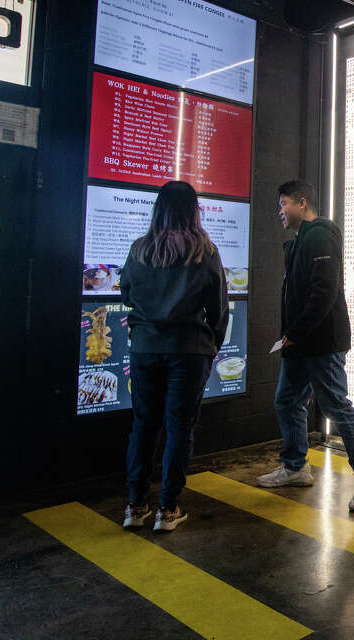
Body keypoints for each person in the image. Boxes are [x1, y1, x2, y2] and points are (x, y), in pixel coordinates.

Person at [257, 180, 354, 511]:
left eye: (284, 203)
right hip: (300, 343)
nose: (280, 211)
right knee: (287, 401)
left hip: (320, 342)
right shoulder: (301, 239)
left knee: (335, 406)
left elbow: (324, 292)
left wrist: (295, 331)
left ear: (302, 203)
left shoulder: (321, 233)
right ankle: (295, 466)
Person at [119, 181, 228, 532]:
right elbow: (219, 309)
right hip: (190, 350)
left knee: (143, 426)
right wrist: (212, 345)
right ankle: (168, 509)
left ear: (158, 210)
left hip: (145, 349)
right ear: (192, 211)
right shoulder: (204, 251)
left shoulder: (139, 250)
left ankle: (135, 507)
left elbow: (126, 293)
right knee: (179, 428)